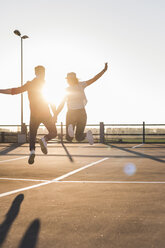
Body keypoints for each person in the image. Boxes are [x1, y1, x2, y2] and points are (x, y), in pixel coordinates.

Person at [0, 65, 57, 164]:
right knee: (54, 133)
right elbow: (51, 100)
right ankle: (44, 139)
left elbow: (15, 91)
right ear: (43, 74)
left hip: (34, 114)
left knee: (32, 134)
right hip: (45, 113)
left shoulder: (30, 84)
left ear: (36, 73)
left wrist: (0, 91)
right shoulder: (44, 84)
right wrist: (55, 114)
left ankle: (32, 151)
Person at [56, 63, 108, 144]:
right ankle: (86, 134)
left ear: (71, 80)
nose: (68, 81)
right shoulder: (81, 85)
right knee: (78, 137)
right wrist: (104, 70)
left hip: (72, 113)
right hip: (81, 113)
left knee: (71, 138)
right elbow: (94, 79)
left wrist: (56, 114)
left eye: (69, 80)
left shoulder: (70, 89)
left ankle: (71, 128)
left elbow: (61, 104)